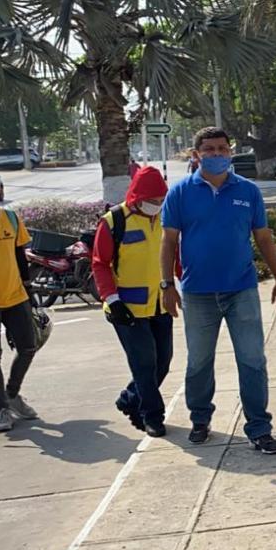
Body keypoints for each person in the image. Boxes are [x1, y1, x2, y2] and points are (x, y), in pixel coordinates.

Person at [160, 127, 276, 453]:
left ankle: (259, 428)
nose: (217, 154)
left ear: (230, 152)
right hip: (197, 293)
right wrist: (167, 285)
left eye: (222, 148)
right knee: (199, 362)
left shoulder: (248, 190)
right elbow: (169, 242)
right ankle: (200, 420)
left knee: (252, 360)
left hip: (241, 289)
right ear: (196, 155)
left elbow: (263, 238)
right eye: (209, 149)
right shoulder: (180, 193)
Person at [91, 166, 172, 438]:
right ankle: (152, 416)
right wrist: (112, 299)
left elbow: (175, 255)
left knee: (163, 362)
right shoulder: (114, 221)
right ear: (137, 197)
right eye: (153, 200)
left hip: (160, 303)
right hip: (126, 308)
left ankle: (129, 398)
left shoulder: (165, 218)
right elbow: (99, 264)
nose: (157, 205)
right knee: (144, 364)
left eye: (161, 200)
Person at [0, 168, 39, 432]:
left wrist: (29, 292)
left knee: (28, 347)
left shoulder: (12, 219)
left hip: (16, 296)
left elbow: (20, 257)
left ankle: (12, 393)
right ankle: (3, 409)